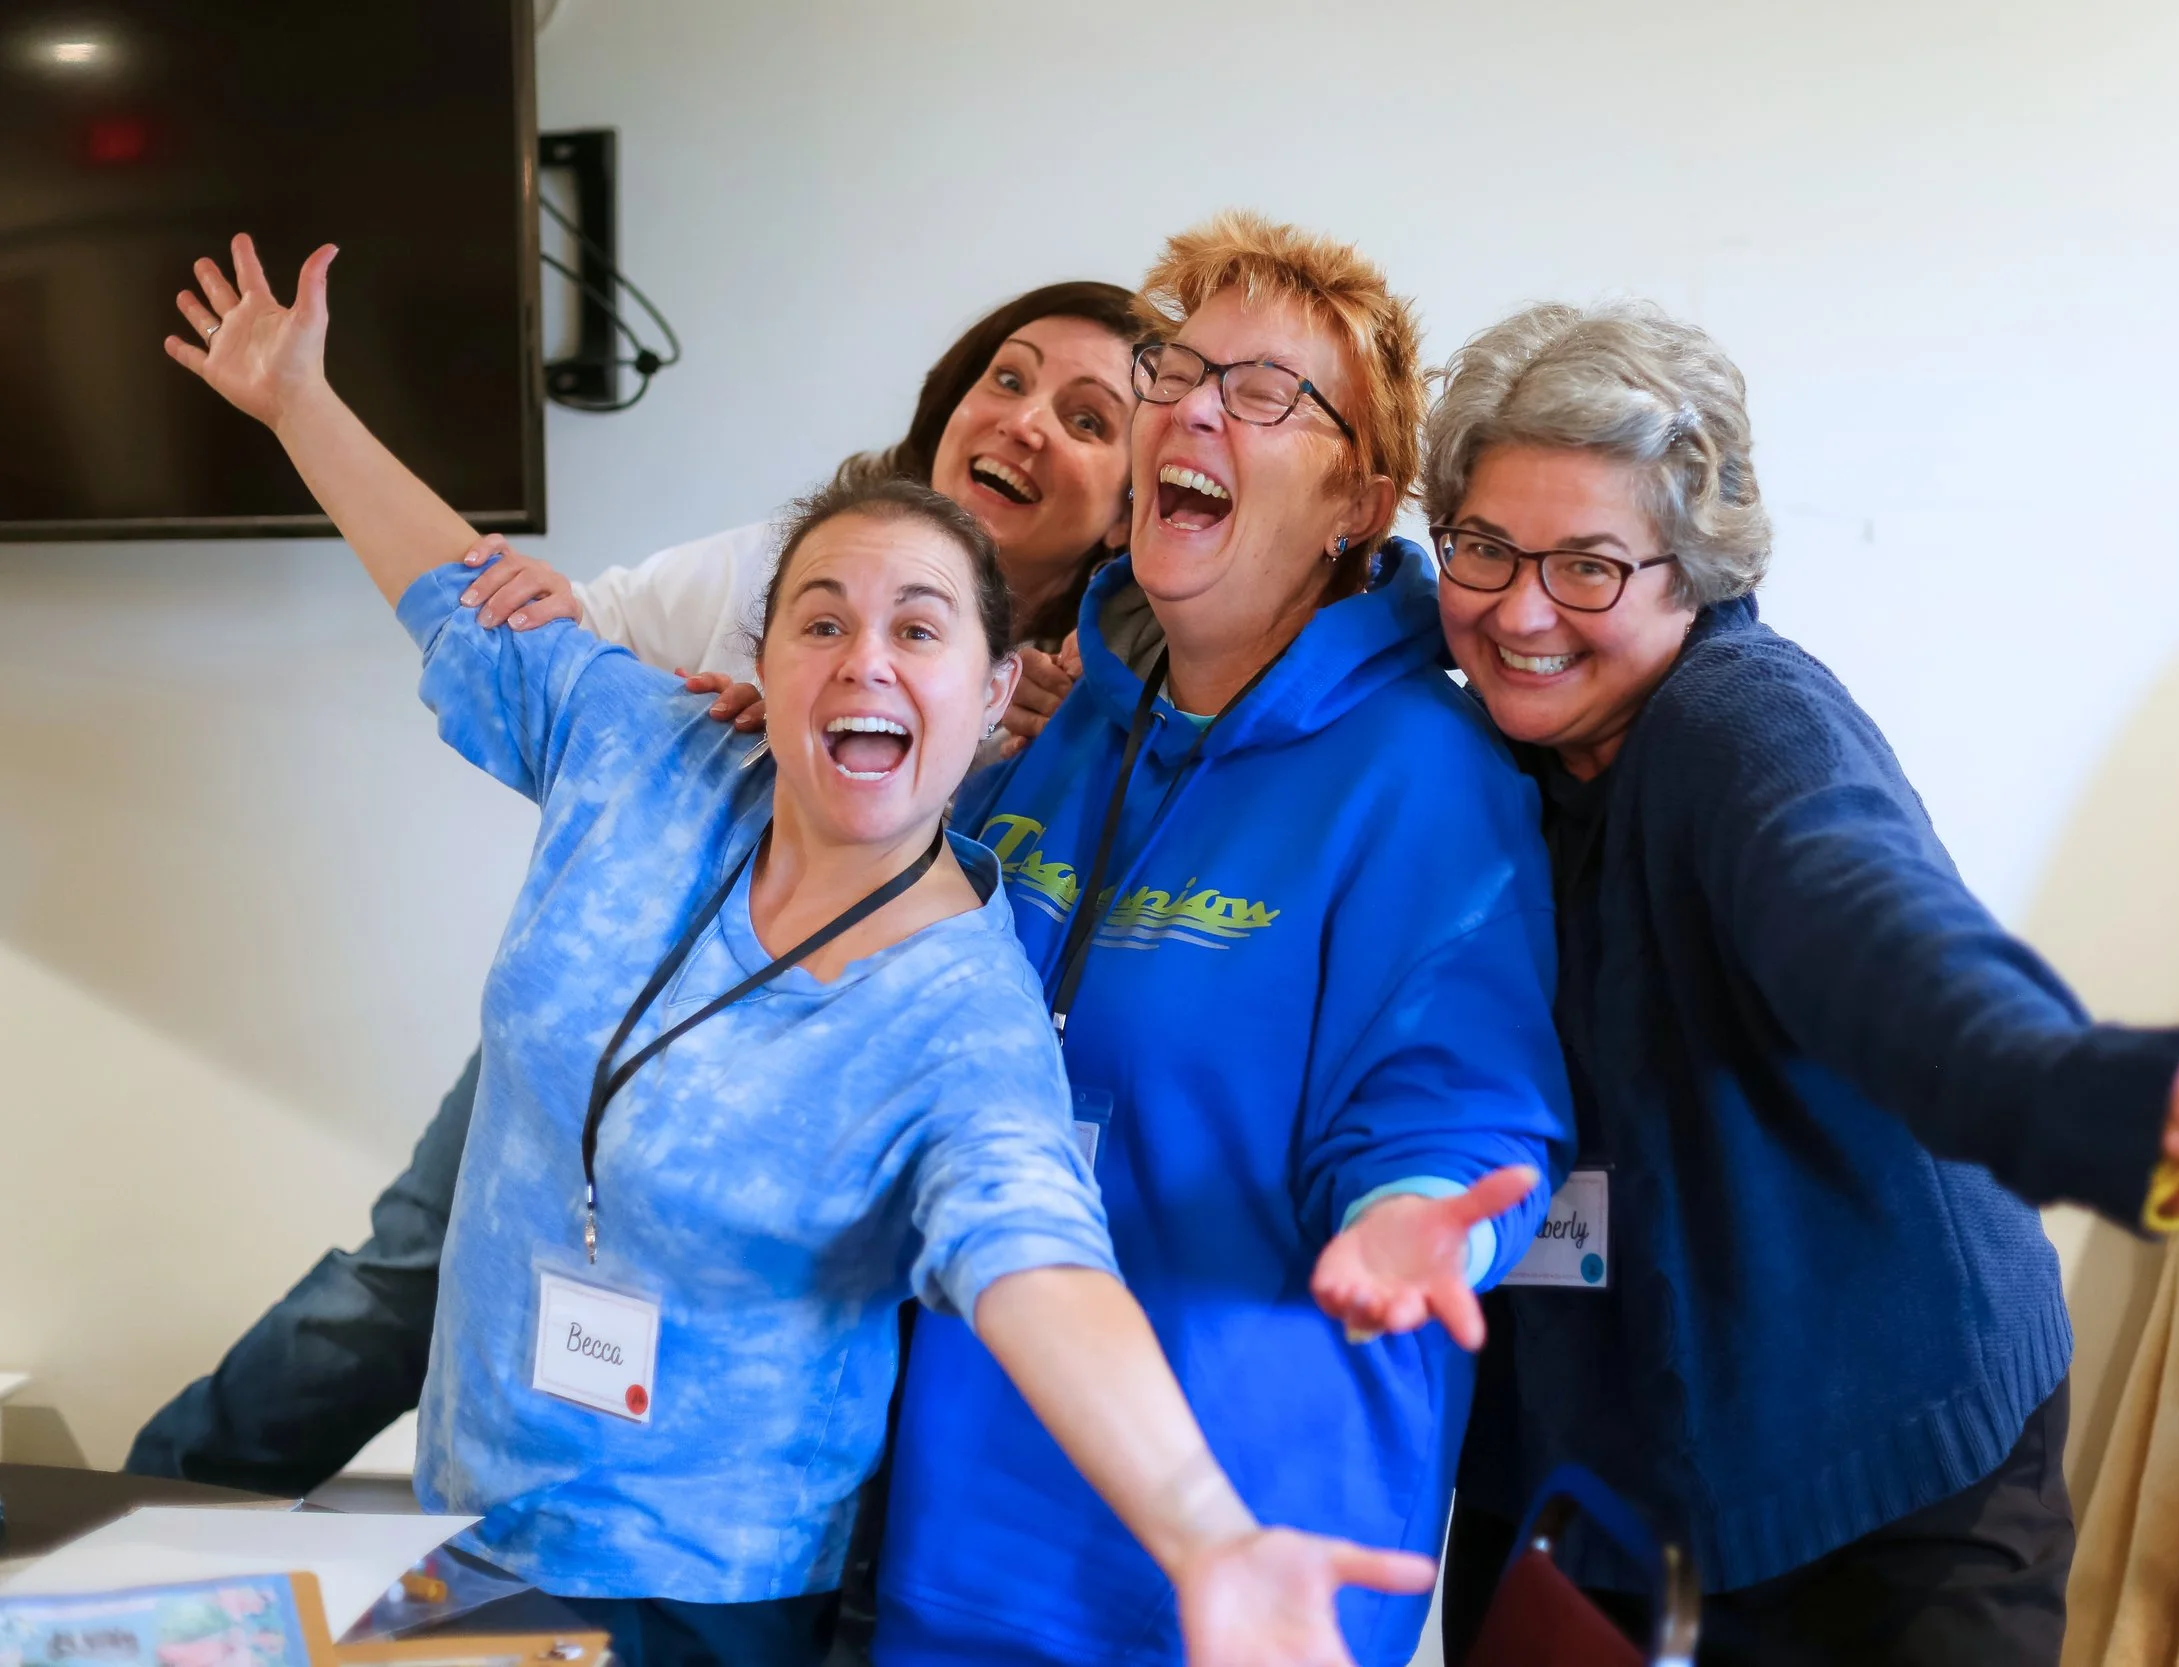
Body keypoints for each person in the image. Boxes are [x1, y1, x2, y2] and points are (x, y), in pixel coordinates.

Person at [158, 233, 1434, 1667]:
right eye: (821, 623)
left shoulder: (965, 998)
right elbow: (452, 592)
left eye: (919, 631)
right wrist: (294, 402)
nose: (864, 661)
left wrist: (1208, 1526)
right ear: (759, 653)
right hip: (473, 1522)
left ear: (1005, 687)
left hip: (706, 1586)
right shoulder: (645, 747)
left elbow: (1032, 1248)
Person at [127, 278, 1146, 1497]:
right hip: (607, 1039)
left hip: (779, 1289)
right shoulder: (771, 574)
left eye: (1088, 418)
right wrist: (302, 405)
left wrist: (1201, 1525)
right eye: (1009, 377)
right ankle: (147, 1510)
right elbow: (531, 635)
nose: (1025, 421)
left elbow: (1022, 1219)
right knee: (391, 1290)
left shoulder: (1102, 707)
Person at [1418, 300, 2179, 1665]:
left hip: (1881, 1484)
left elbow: (1875, 933)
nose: (1524, 608)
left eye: (1591, 565)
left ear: (1695, 574)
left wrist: (2073, 1089)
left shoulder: (1741, 722)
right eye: (1485, 547)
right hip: (1594, 1475)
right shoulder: (1460, 747)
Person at [872, 213, 1575, 1667]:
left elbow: (1454, 1100)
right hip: (965, 1522)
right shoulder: (1064, 728)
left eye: (1263, 392)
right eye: (1178, 369)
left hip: (1241, 1565)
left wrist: (1417, 1209)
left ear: (1357, 502)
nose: (1191, 406)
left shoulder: (1420, 773)